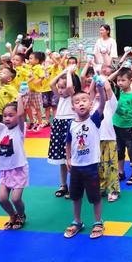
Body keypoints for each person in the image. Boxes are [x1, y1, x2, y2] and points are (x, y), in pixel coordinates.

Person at [64, 89, 106, 239]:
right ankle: (77, 221)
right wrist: (67, 158)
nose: (81, 103)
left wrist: (100, 87)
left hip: (91, 166)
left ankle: (98, 221)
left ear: (90, 104)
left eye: (84, 100)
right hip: (75, 166)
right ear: (72, 107)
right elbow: (68, 142)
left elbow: (102, 103)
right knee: (75, 196)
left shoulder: (94, 120)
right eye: (77, 101)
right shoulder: (71, 124)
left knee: (95, 196)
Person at [0, 88, 27, 230]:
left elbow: (21, 115)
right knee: (2, 199)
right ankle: (12, 215)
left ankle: (21, 215)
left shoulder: (20, 129)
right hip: (4, 170)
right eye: (5, 116)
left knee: (16, 198)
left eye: (11, 115)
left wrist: (20, 97)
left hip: (18, 168)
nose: (7, 118)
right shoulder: (2, 129)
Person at [48, 66, 79, 199]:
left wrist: (68, 73)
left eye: (63, 87)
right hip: (58, 125)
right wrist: (63, 72)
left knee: (72, 158)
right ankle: (63, 184)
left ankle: (74, 185)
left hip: (70, 124)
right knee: (61, 159)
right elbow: (51, 83)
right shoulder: (60, 97)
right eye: (59, 87)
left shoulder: (73, 96)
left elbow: (71, 88)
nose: (60, 90)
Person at [112, 68, 132, 185]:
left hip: (129, 128)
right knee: (119, 150)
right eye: (118, 80)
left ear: (131, 80)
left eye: (123, 80)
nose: (120, 83)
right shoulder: (116, 94)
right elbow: (108, 82)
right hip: (116, 127)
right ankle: (121, 172)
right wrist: (118, 69)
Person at [27, 51, 46, 130]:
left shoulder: (39, 67)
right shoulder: (30, 67)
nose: (29, 60)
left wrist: (35, 82)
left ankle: (40, 123)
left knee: (37, 108)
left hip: (36, 92)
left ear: (37, 60)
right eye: (29, 58)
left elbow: (42, 77)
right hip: (29, 91)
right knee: (29, 106)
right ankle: (33, 121)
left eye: (31, 58)